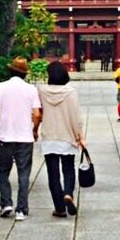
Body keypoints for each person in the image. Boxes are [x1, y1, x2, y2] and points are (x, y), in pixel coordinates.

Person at [0, 56, 42, 221]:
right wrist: (34, 129)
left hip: (5, 136)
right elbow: (37, 114)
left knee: (3, 171)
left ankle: (6, 204)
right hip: (24, 137)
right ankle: (21, 210)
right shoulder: (31, 89)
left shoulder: (0, 87)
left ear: (10, 70)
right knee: (23, 174)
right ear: (25, 74)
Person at [37, 61, 86, 217]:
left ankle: (59, 208)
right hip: (67, 136)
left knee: (53, 173)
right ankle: (68, 194)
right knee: (68, 169)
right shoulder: (71, 92)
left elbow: (38, 112)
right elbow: (76, 116)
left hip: (49, 136)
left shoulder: (42, 91)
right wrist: (80, 136)